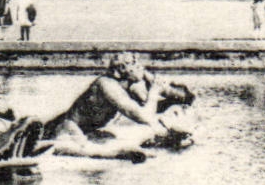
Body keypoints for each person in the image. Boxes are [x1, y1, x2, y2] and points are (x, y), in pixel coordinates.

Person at [43, 52, 183, 161]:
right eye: (136, 64)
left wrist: (164, 90)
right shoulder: (107, 85)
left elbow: (155, 107)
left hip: (87, 131)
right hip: (68, 130)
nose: (141, 67)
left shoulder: (128, 85)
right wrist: (154, 91)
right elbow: (146, 118)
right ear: (122, 68)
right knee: (101, 151)